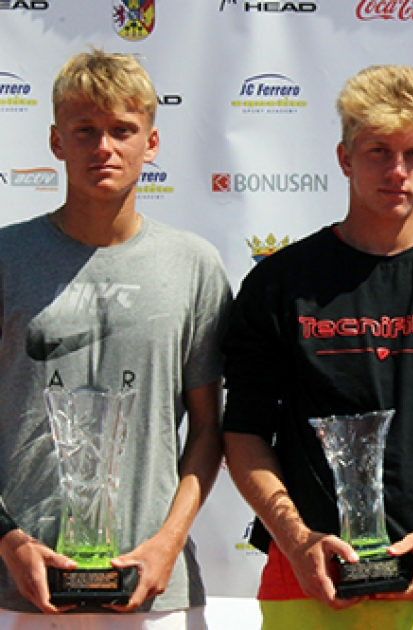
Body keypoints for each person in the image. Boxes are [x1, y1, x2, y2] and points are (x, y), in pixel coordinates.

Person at [220, 64, 413, 630]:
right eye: (378, 150)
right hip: (306, 580)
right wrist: (296, 537)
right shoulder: (278, 284)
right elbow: (244, 433)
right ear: (344, 158)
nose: (397, 170)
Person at [0, 49, 231, 627]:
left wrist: (167, 542)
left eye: (122, 130)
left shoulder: (193, 264)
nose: (104, 147)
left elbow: (208, 429)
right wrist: (8, 540)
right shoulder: (6, 258)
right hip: (21, 584)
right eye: (85, 131)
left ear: (151, 143)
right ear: (57, 142)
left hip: (152, 587)